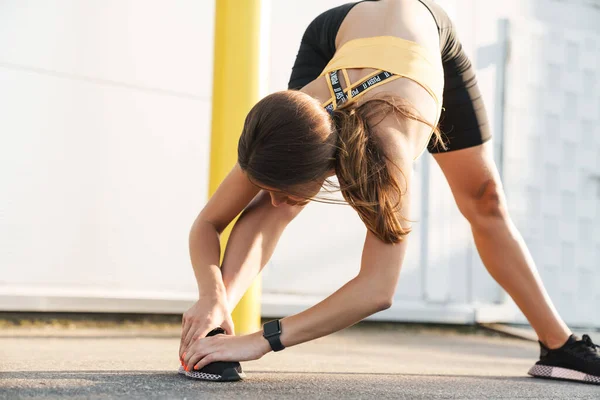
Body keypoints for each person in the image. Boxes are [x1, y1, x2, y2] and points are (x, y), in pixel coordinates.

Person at [179, 0, 600, 384]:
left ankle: (559, 348)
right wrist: (210, 295)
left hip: (425, 35)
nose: (271, 198)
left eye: (282, 190)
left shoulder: (387, 146)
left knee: (484, 198)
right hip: (340, 34)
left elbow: (377, 289)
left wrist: (263, 340)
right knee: (277, 209)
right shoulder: (289, 120)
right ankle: (215, 332)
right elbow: (208, 222)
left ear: (329, 163)